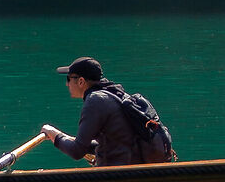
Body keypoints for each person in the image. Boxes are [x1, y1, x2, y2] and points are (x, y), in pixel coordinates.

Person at [40, 56, 170, 165]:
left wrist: (55, 135)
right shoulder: (116, 93)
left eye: (69, 79)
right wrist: (65, 137)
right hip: (135, 170)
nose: (67, 84)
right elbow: (115, 142)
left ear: (81, 81)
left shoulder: (95, 100)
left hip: (117, 176)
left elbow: (76, 151)